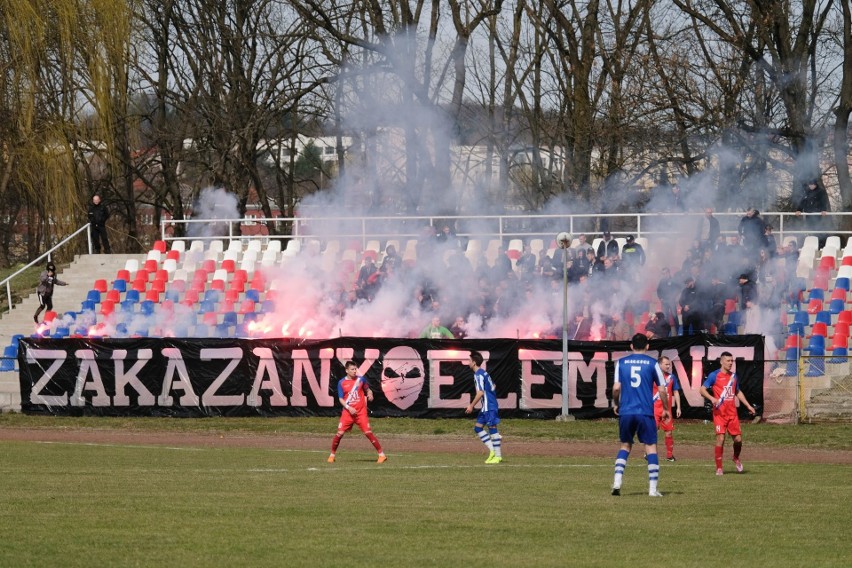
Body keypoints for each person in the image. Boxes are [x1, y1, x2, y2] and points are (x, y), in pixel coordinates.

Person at [611, 333, 669, 497]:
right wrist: (665, 408)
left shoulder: (621, 363)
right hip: (645, 412)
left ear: (631, 346)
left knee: (625, 446)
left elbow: (616, 388)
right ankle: (652, 489)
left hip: (627, 411)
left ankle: (617, 483)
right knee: (650, 448)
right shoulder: (652, 363)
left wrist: (616, 404)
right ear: (647, 346)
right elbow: (662, 389)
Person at [699, 352, 757, 475]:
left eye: (732, 361)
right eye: (728, 360)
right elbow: (702, 390)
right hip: (719, 414)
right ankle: (719, 468)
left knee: (738, 440)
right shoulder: (714, 376)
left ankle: (736, 457)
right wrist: (712, 398)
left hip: (732, 414)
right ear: (721, 361)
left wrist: (748, 405)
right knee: (720, 438)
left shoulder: (733, 377)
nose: (730, 363)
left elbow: (738, 392)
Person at [328, 361, 387, 464]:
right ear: (346, 370)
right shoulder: (341, 382)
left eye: (355, 369)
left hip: (360, 412)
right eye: (352, 369)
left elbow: (368, 389)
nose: (354, 371)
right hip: (347, 412)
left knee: (368, 433)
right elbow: (341, 399)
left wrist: (370, 394)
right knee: (339, 433)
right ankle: (332, 456)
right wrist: (348, 407)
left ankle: (382, 455)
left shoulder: (361, 380)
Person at [464, 350, 502, 464]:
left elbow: (480, 392)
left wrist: (471, 406)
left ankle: (497, 456)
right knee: (478, 428)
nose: (468, 363)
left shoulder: (478, 375)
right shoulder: (483, 373)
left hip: (489, 407)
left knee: (493, 430)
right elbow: (493, 385)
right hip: (487, 407)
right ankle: (492, 451)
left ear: (474, 362)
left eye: (469, 361)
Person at [654, 356, 682, 462]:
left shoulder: (672, 378)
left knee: (669, 432)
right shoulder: (653, 377)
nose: (668, 366)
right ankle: (649, 452)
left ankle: (669, 455)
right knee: (653, 432)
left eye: (669, 364)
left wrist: (678, 407)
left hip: (667, 410)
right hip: (655, 409)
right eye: (666, 364)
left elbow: (675, 392)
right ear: (660, 364)